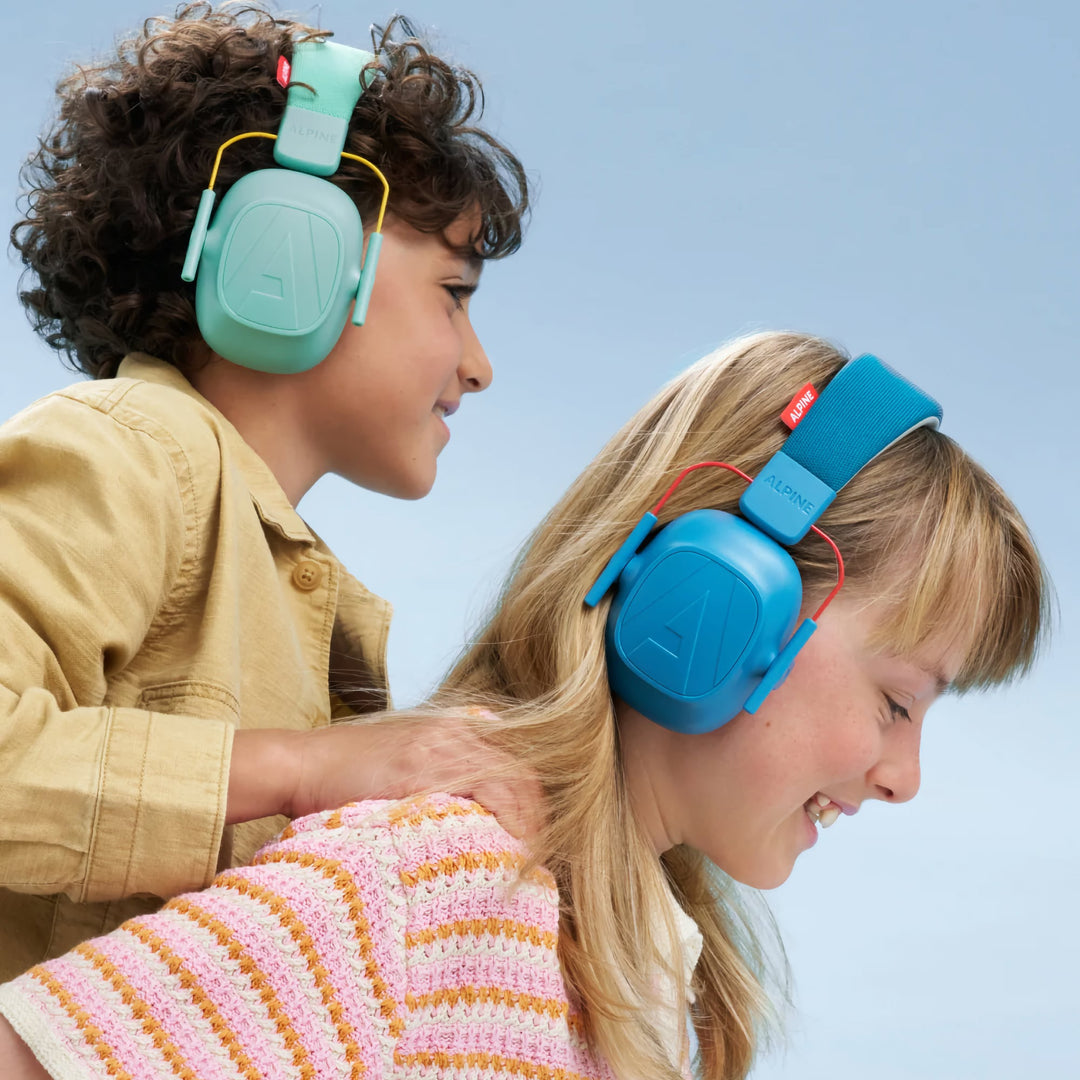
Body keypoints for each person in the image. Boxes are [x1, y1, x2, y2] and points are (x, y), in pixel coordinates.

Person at [0, 331, 1049, 1078]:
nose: (904, 777)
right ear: (717, 610)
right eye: (899, 702)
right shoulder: (436, 882)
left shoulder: (640, 976)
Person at [0, 2, 534, 980]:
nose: (479, 365)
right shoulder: (129, 453)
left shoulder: (303, 599)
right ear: (290, 258)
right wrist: (302, 771)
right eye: (454, 295)